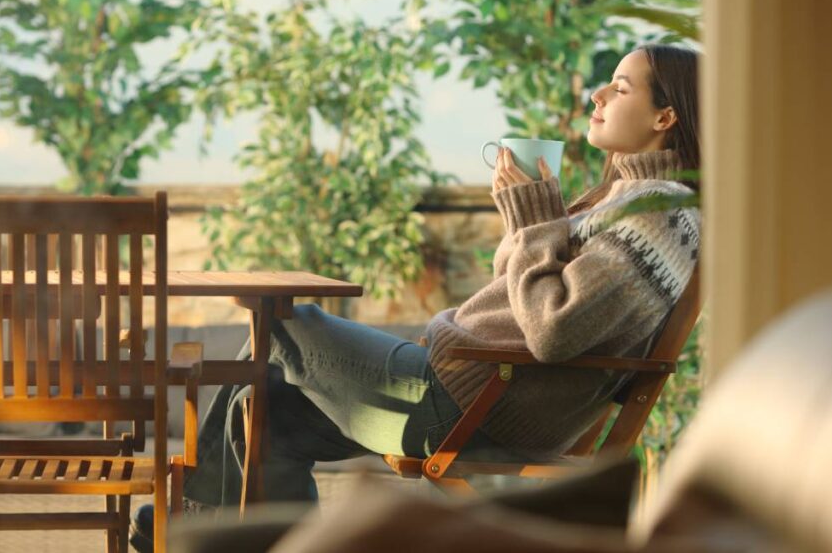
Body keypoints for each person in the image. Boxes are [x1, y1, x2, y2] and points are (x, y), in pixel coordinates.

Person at [130, 44, 701, 552]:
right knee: (268, 409)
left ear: (665, 116)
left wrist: (534, 222)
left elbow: (552, 330)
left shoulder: (655, 215)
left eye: (620, 87)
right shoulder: (627, 200)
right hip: (476, 388)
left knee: (282, 326)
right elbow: (520, 291)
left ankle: (191, 523)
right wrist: (526, 220)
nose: (597, 95)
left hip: (474, 403)